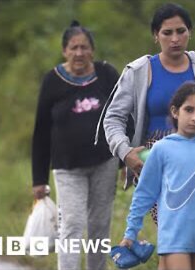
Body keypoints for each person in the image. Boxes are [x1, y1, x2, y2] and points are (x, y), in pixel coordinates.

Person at [101, 2, 195, 222]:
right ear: (155, 36)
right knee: (170, 231)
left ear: (190, 32)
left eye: (181, 31)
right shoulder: (140, 71)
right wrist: (126, 152)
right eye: (167, 33)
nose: (175, 39)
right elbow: (113, 118)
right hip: (154, 159)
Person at [119, 83, 195, 270]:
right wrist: (131, 232)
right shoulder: (161, 149)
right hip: (173, 235)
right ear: (175, 112)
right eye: (189, 110)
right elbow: (144, 194)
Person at [31, 20, 120, 270]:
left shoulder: (107, 74)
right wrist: (39, 179)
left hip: (105, 162)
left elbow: (124, 115)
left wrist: (125, 159)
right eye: (73, 48)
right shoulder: (52, 80)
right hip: (67, 167)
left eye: (84, 47)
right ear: (64, 51)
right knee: (72, 223)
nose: (79, 53)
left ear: (92, 50)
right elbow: (41, 131)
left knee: (100, 225)